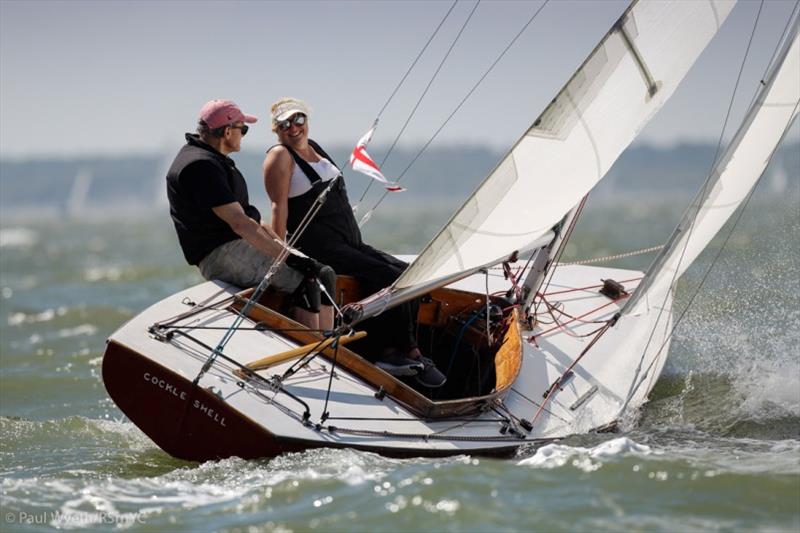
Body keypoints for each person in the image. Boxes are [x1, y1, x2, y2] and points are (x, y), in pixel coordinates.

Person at [262, 97, 445, 388]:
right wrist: (280, 255)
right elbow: (278, 207)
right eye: (285, 124)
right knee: (390, 276)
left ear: (306, 120)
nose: (293, 128)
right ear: (276, 130)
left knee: (407, 272)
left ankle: (404, 352)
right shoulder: (279, 157)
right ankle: (398, 352)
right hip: (321, 247)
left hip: (349, 241)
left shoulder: (315, 148)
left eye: (298, 120)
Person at [166, 99, 335, 331]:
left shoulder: (212, 160)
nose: (243, 135)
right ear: (227, 132)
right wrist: (288, 258)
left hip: (237, 245)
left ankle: (328, 343)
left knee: (323, 273)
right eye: (242, 129)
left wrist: (286, 250)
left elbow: (250, 220)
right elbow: (240, 224)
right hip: (221, 254)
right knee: (307, 280)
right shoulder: (200, 166)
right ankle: (319, 353)